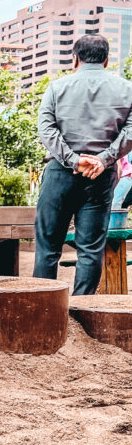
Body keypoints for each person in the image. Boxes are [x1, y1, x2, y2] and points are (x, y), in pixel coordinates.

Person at [34, 33, 132, 296]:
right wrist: (104, 159)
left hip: (59, 174)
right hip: (100, 177)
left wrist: (74, 160)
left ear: (74, 58)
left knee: (48, 247)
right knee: (90, 249)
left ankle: (44, 308)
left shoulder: (56, 87)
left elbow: (46, 129)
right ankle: (81, 311)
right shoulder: (127, 89)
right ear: (107, 59)